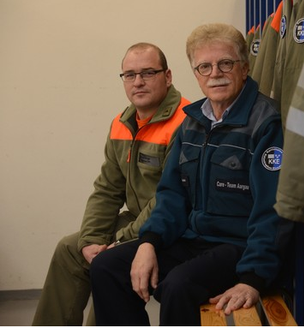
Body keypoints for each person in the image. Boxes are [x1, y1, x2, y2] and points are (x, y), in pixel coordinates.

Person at [89, 23, 294, 326]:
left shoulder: (265, 123)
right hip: (193, 239)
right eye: (204, 66)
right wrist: (149, 242)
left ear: (244, 68)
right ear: (196, 74)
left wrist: (253, 278)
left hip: (239, 245)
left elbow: (273, 211)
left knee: (177, 285)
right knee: (107, 266)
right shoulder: (192, 122)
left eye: (225, 63)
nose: (215, 73)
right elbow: (171, 195)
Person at [32, 42, 189, 326]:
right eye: (129, 75)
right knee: (70, 249)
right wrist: (92, 239)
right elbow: (107, 189)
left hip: (175, 225)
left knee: (109, 263)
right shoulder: (122, 122)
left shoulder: (185, 122)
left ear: (167, 77)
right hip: (136, 218)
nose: (137, 82)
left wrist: (120, 241)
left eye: (148, 73)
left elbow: (168, 198)